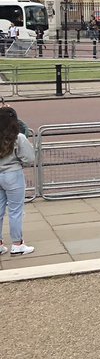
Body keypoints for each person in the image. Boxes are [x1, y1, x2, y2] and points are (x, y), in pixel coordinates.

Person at [0, 107, 35, 256]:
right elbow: (29, 158)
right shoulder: (18, 137)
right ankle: (17, 243)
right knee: (15, 211)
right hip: (13, 173)